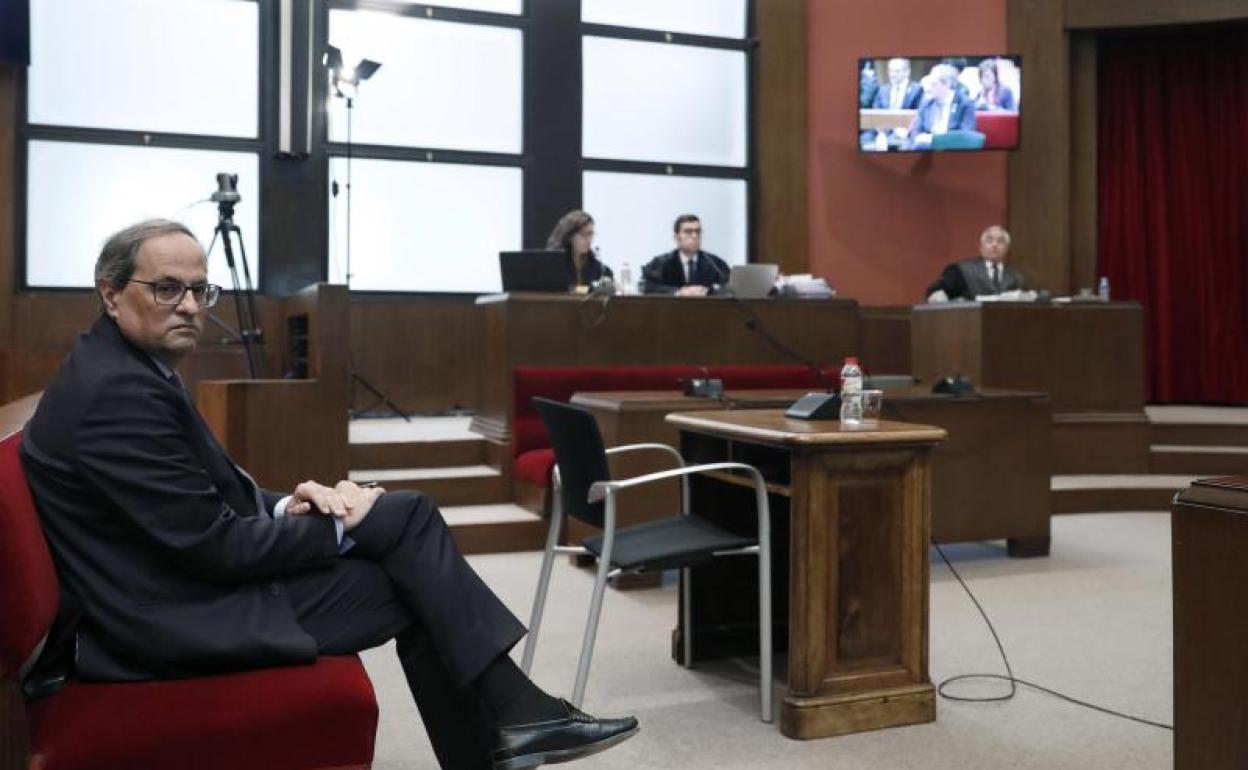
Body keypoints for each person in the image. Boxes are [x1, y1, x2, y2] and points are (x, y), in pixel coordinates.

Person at [19, 219, 638, 770]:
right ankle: (516, 712)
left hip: (170, 586)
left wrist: (290, 503)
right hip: (163, 619)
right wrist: (341, 524)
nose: (188, 306)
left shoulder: (121, 366)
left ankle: (516, 717)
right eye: (166, 289)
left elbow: (205, 495)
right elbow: (214, 547)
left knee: (408, 539)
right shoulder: (117, 395)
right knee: (408, 538)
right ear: (110, 292)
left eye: (200, 290)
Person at [925, 224, 1026, 301]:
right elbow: (935, 293)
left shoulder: (1016, 277)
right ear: (981, 247)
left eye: (1000, 241)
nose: (995, 245)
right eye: (989, 240)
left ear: (1007, 249)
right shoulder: (961, 271)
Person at [640, 214, 731, 296]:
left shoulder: (715, 264)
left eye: (698, 231)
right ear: (676, 237)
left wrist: (708, 291)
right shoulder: (661, 263)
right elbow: (646, 286)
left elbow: (730, 289)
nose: (694, 236)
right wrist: (678, 292)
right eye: (688, 232)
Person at [906, 63, 977, 149]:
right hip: (925, 148)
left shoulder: (965, 104)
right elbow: (915, 130)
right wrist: (919, 138)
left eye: (934, 84)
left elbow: (966, 135)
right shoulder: (927, 103)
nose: (929, 88)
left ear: (947, 84)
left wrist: (936, 140)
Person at [545, 210, 612, 291]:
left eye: (591, 234)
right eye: (584, 234)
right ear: (569, 236)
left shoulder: (600, 269)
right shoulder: (554, 266)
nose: (589, 240)